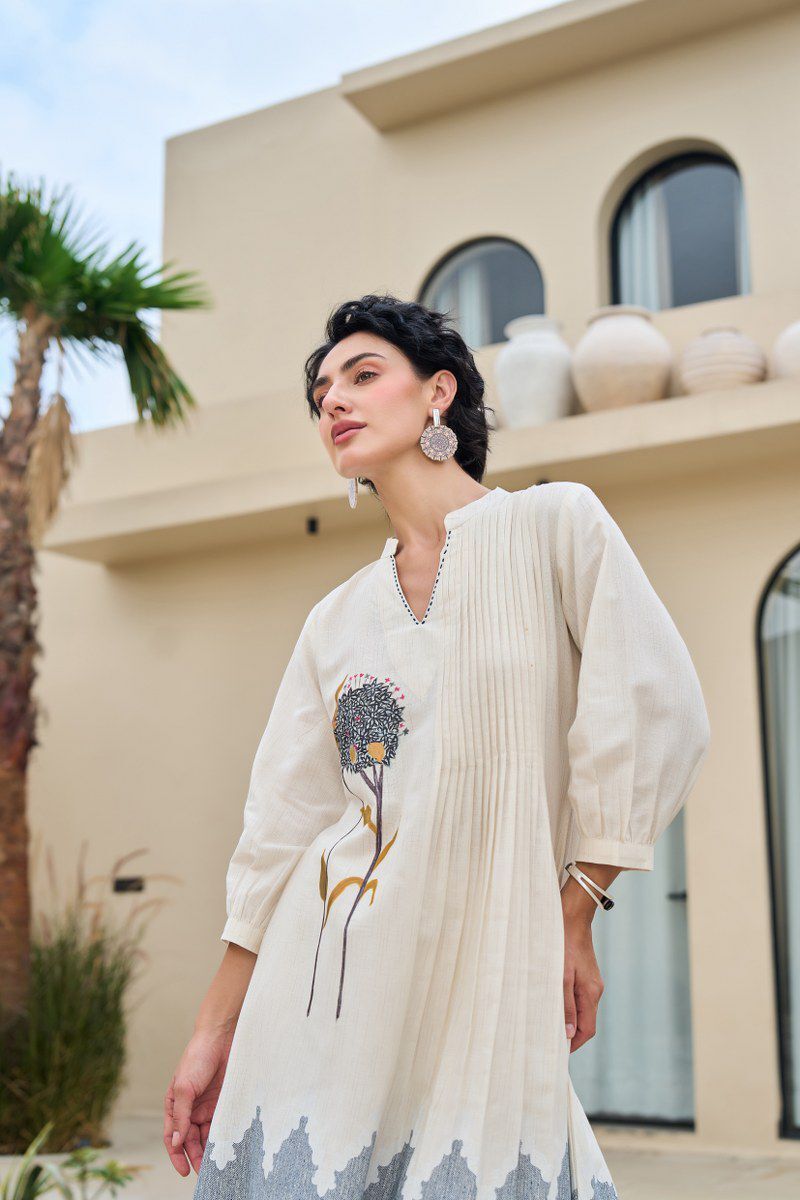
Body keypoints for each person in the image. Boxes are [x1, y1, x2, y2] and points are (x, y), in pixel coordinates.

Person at [165, 294, 711, 1199]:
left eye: (364, 374)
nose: (335, 399)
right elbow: (280, 830)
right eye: (322, 391)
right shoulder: (333, 620)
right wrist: (213, 1030)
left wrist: (577, 905)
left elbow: (656, 705)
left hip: (489, 977)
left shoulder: (554, 527)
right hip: (321, 994)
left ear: (437, 395)